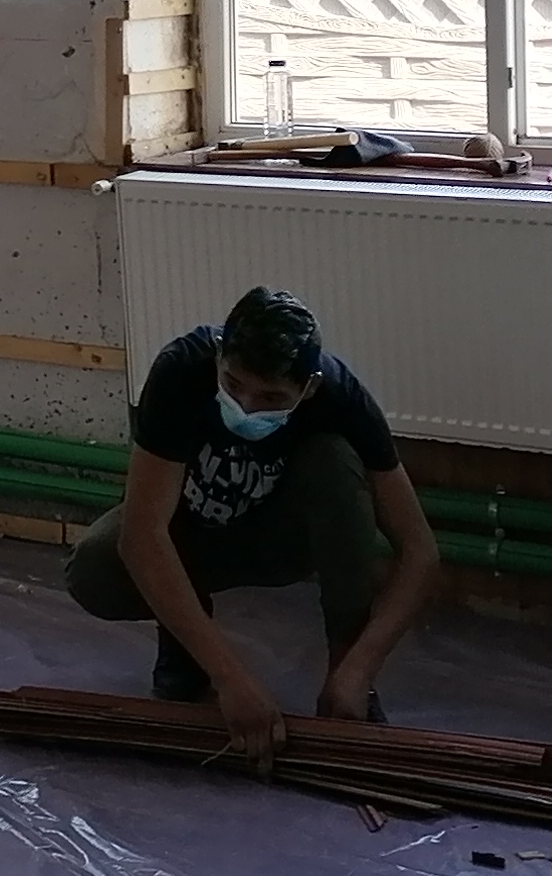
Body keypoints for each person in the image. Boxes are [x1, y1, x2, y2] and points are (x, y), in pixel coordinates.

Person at [62, 284, 441, 761]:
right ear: (219, 356)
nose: (246, 407)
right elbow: (142, 537)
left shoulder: (341, 398)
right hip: (191, 538)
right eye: (234, 385)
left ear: (309, 388)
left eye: (271, 397)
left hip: (277, 542)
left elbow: (420, 552)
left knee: (335, 459)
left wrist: (359, 668)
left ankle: (344, 676)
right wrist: (229, 678)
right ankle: (186, 645)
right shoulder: (182, 370)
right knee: (94, 567)